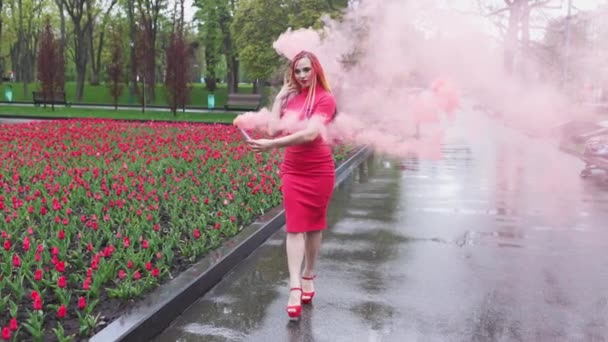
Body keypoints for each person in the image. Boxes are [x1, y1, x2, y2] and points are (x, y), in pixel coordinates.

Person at [234, 51, 337, 320]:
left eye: (306, 70)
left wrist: (272, 146)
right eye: (297, 71)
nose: (302, 75)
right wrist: (280, 97)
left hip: (319, 170)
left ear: (316, 71)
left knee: (314, 226)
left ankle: (308, 274)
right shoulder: (292, 99)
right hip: (293, 170)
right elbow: (273, 130)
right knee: (294, 227)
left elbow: (311, 134)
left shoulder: (326, 99)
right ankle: (293, 287)